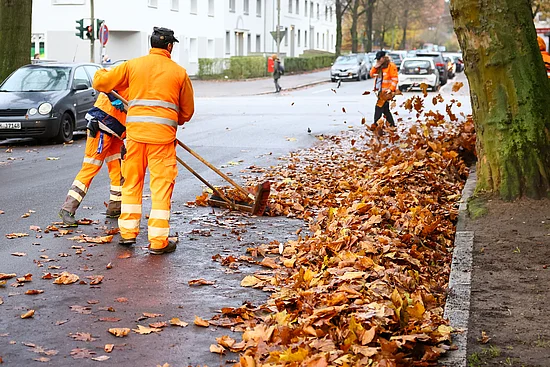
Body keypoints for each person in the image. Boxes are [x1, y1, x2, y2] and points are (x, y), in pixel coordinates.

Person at [93, 27, 195, 255]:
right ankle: (158, 242)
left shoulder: (133, 65)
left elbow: (101, 83)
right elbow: (187, 112)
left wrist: (101, 73)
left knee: (131, 183)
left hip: (136, 137)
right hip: (162, 140)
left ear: (151, 45)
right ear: (170, 46)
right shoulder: (179, 73)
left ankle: (128, 234)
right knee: (160, 187)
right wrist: (172, 118)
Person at [59, 90, 128, 226]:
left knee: (118, 169)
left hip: (117, 131)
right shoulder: (125, 71)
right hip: (101, 125)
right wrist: (113, 97)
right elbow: (101, 81)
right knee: (91, 167)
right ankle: (67, 209)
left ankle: (115, 207)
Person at [370, 50, 398, 127]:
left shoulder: (391, 66)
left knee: (378, 108)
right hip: (380, 92)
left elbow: (395, 79)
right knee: (385, 110)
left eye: (379, 59)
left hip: (386, 92)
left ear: (383, 58)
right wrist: (375, 67)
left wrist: (391, 89)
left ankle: (376, 124)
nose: (378, 61)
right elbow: (372, 74)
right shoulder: (380, 66)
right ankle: (392, 125)